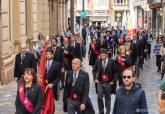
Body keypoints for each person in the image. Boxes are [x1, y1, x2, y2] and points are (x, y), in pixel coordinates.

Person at [92, 49, 115, 114]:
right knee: (99, 96)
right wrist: (95, 79)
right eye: (101, 56)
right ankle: (101, 111)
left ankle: (108, 111)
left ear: (107, 55)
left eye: (104, 55)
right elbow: (94, 70)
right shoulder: (98, 61)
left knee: (108, 97)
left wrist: (113, 81)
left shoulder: (112, 61)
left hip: (108, 82)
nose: (103, 57)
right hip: (100, 82)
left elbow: (116, 72)